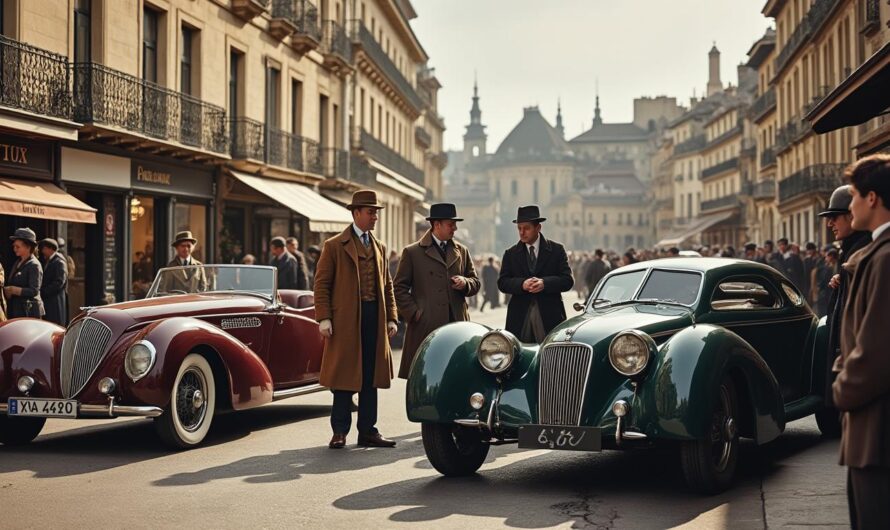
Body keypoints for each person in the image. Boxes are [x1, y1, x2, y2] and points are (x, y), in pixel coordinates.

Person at [313, 190, 398, 449]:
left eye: (376, 213)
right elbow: (321, 284)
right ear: (356, 213)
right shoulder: (334, 246)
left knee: (371, 376)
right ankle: (339, 431)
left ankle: (368, 430)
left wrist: (392, 318)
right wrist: (324, 318)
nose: (375, 217)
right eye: (371, 212)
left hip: (374, 317)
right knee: (344, 376)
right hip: (345, 320)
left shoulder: (380, 247)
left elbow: (388, 286)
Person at [831, 154, 890, 528]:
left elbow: (876, 352)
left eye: (853, 195)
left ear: (872, 198)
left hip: (878, 433)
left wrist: (840, 387)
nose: (849, 205)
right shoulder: (877, 253)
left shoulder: (885, 258)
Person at [394, 203, 480, 379]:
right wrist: (415, 313)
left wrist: (465, 283)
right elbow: (399, 288)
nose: (455, 228)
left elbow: (475, 282)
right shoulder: (412, 252)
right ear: (437, 224)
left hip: (457, 324)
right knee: (426, 375)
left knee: (457, 374)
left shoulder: (462, 251)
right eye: (451, 224)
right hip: (426, 326)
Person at [819, 185, 871, 395]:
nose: (829, 223)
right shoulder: (851, 249)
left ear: (851, 215)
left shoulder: (862, 249)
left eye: (834, 217)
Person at [497, 205, 573, 343]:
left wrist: (545, 283)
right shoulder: (510, 253)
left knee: (551, 352)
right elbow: (502, 283)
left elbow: (568, 280)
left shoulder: (557, 250)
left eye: (526, 228)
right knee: (520, 353)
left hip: (550, 315)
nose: (522, 232)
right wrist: (522, 284)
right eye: (519, 228)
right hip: (519, 316)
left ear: (538, 228)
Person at [3, 228, 44, 319]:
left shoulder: (34, 265)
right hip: (18, 310)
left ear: (28, 247)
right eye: (14, 246)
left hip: (29, 312)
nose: (14, 249)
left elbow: (34, 290)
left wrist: (13, 290)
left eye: (18, 247)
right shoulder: (17, 262)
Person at [38, 238, 68, 326]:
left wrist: (44, 291)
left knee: (55, 324)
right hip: (49, 300)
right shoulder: (48, 260)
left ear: (51, 249)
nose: (42, 251)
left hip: (55, 301)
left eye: (44, 249)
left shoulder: (59, 261)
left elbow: (59, 282)